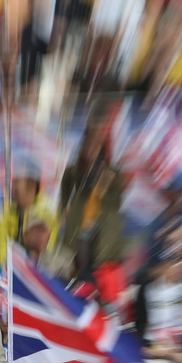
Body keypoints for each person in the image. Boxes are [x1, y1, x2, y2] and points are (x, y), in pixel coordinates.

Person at [59, 109, 124, 283]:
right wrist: (65, 209)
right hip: (79, 225)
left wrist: (102, 179)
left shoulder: (111, 174)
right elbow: (65, 190)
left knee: (97, 270)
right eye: (89, 144)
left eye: (96, 144)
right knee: (76, 267)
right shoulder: (74, 171)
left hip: (102, 228)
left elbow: (115, 202)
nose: (91, 149)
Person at [0, 159, 57, 264]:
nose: (13, 187)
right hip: (15, 267)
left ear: (32, 185)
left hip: (37, 269)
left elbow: (48, 246)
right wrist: (6, 264)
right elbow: (1, 240)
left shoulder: (46, 209)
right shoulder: (9, 209)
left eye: (18, 182)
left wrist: (35, 268)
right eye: (15, 182)